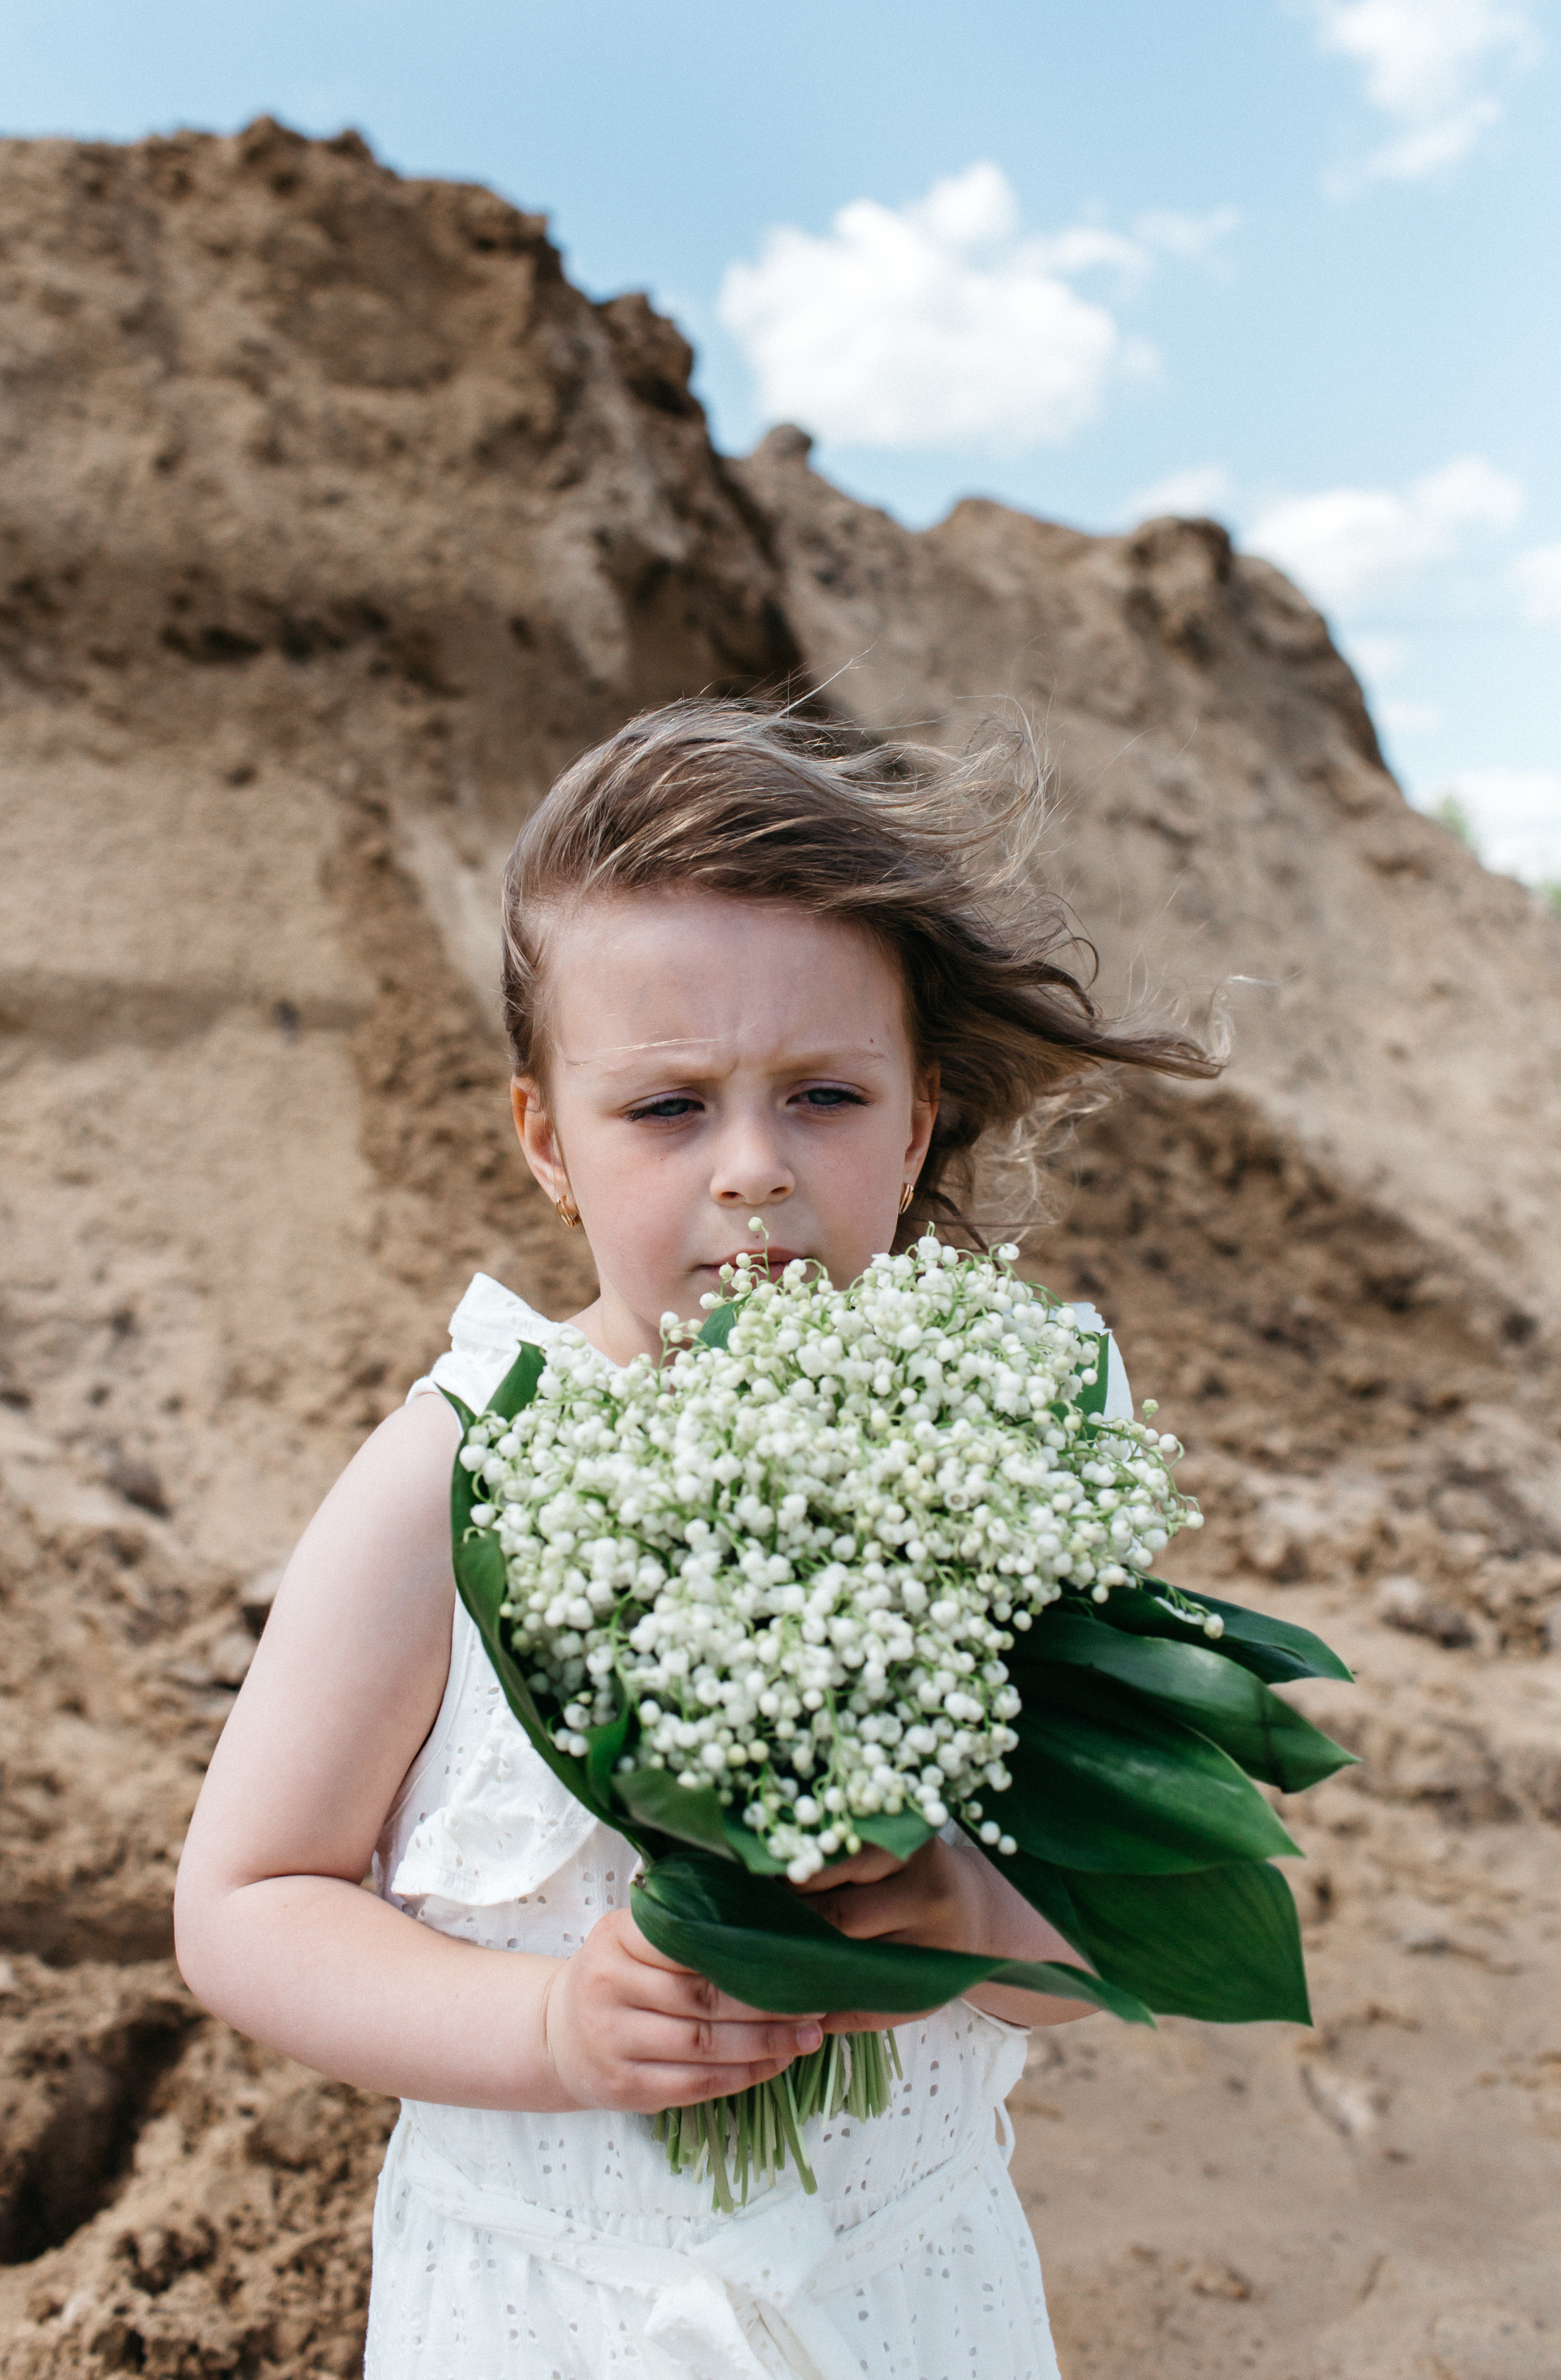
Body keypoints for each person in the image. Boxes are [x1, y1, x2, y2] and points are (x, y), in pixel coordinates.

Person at [174, 700, 1216, 2378]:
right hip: (548, 2309)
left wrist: (977, 1911)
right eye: (666, 1107)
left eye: (821, 1094)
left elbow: (1114, 1942)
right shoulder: (458, 1466)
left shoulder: (1015, 1445)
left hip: (902, 2294)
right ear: (546, 1142)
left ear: (920, 1116)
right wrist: (547, 2028)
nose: (752, 1172)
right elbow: (242, 1900)